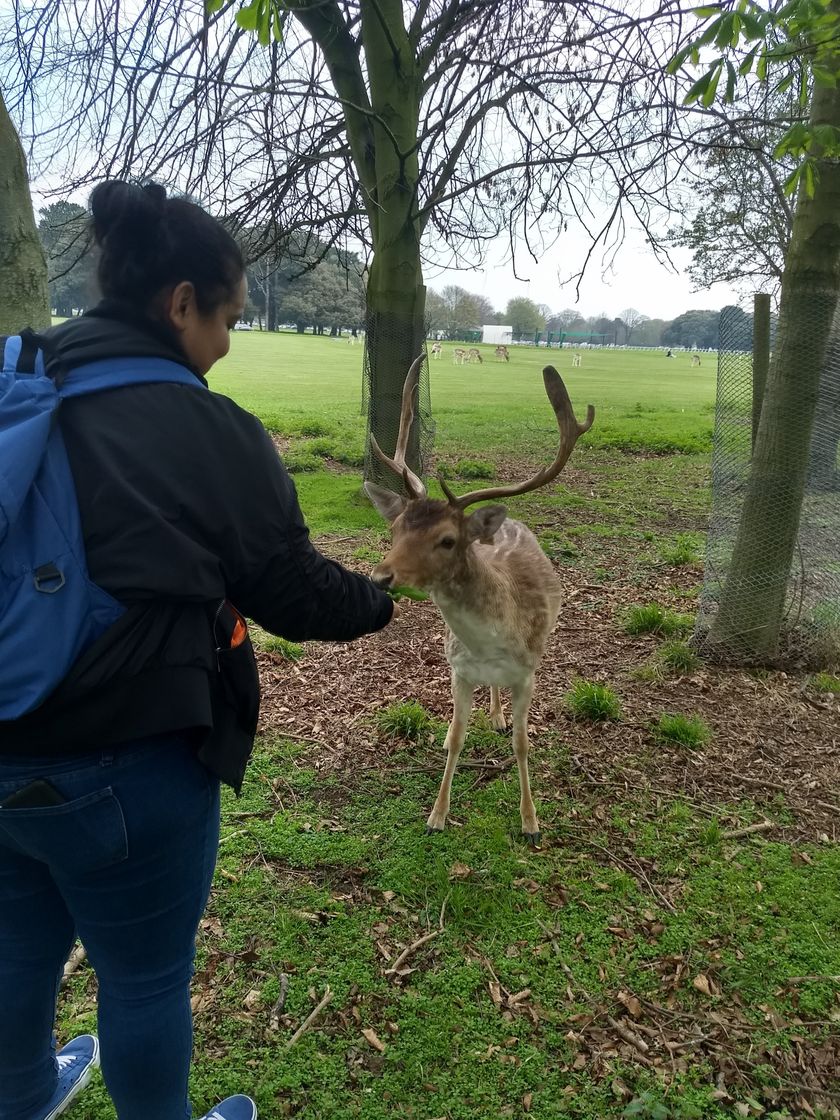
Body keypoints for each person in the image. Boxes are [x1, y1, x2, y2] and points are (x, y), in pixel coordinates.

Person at [0, 181, 395, 1120]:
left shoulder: (17, 378)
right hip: (129, 763)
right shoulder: (209, 428)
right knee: (141, 981)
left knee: (14, 951)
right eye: (228, 318)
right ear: (180, 303)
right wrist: (383, 603)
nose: (226, 344)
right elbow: (293, 592)